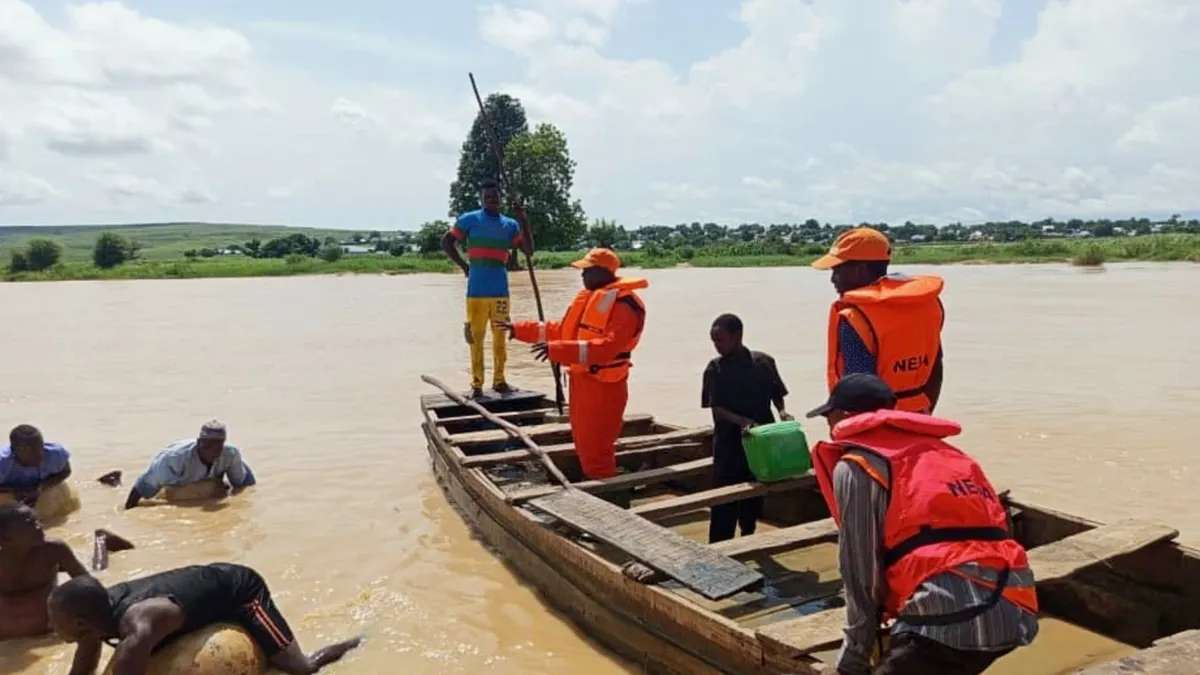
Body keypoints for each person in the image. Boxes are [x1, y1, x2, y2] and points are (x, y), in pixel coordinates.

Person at [805, 373, 1038, 675]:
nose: (828, 425)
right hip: (1015, 607)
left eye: (829, 416)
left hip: (949, 616)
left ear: (846, 417)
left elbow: (860, 573)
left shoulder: (856, 465)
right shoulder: (950, 455)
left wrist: (854, 657)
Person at [495, 248, 646, 489]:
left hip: (605, 385)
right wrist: (519, 329)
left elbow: (607, 347)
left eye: (586, 270)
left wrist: (559, 350)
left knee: (597, 444)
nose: (582, 275)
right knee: (584, 440)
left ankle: (607, 495)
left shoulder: (624, 306)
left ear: (602, 272)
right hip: (582, 380)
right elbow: (561, 330)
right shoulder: (590, 298)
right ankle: (597, 485)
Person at [47, 563, 362, 675]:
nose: (50, 626)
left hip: (239, 592)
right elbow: (81, 671)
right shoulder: (93, 618)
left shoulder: (138, 628)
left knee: (300, 669)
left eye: (54, 619)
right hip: (197, 592)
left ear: (78, 622)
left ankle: (360, 640)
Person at [811, 227, 945, 414]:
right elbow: (935, 368)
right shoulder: (927, 305)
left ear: (860, 270)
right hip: (919, 413)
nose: (833, 279)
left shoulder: (854, 317)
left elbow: (859, 390)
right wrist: (926, 415)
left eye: (837, 270)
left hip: (876, 423)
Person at [701, 313, 792, 543]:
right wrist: (741, 421)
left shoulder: (764, 362)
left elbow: (777, 394)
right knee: (724, 495)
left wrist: (782, 412)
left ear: (736, 336)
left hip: (760, 440)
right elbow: (716, 408)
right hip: (729, 442)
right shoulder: (715, 369)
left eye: (720, 340)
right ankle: (721, 544)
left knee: (754, 490)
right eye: (714, 341)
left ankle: (749, 533)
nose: (716, 346)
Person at [442, 177, 535, 397]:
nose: (492, 200)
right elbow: (447, 241)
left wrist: (524, 221)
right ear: (482, 199)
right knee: (475, 338)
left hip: (501, 292)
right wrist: (464, 266)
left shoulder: (509, 225)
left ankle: (500, 381)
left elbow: (529, 251)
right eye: (488, 197)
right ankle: (476, 385)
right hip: (476, 293)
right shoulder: (469, 220)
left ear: (500, 198)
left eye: (495, 196)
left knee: (501, 338)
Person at [0, 504, 131, 640]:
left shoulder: (52, 549)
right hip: (15, 628)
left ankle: (102, 541)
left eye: (36, 521)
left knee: (99, 569)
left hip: (48, 625)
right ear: (4, 539)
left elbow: (88, 585)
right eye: (29, 524)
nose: (39, 526)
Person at [124, 421, 256, 509]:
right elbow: (141, 487)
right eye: (207, 445)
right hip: (179, 483)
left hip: (212, 479)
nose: (211, 451)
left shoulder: (230, 453)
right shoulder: (173, 459)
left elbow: (241, 484)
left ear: (223, 445)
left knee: (245, 486)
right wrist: (128, 511)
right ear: (199, 442)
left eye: (217, 446)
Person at [0, 424, 72, 508]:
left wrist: (41, 487)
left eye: (40, 451)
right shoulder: (2, 463)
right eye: (29, 452)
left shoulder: (54, 454)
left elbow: (66, 471)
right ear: (14, 452)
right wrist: (15, 490)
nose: (37, 457)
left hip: (43, 485)